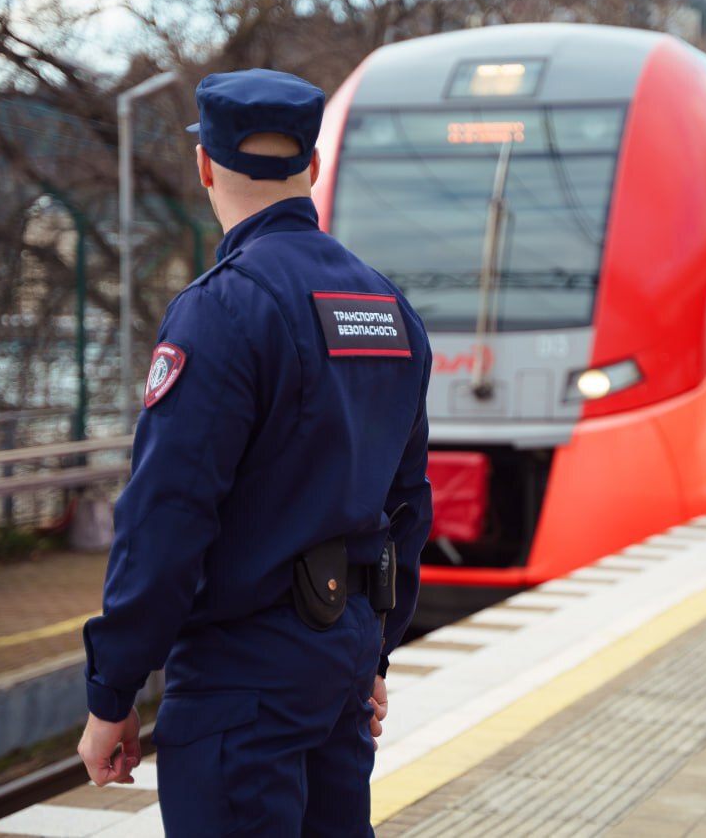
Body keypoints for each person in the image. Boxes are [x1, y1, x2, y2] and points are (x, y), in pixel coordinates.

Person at [77, 68, 432, 836]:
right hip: (339, 668)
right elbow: (407, 506)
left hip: (241, 683)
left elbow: (166, 517)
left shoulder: (221, 311)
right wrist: (374, 653)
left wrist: (113, 691)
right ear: (313, 166)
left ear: (205, 164)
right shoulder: (388, 309)